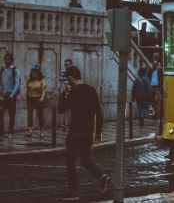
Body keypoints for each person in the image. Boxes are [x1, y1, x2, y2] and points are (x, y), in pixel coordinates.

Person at [58, 66, 111, 200]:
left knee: (71, 162)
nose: (66, 81)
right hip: (88, 132)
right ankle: (102, 177)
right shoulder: (91, 90)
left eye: (67, 78)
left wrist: (64, 94)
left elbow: (61, 109)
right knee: (86, 160)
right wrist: (98, 133)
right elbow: (99, 113)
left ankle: (74, 192)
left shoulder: (72, 92)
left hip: (75, 132)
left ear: (71, 77)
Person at [0, 52, 23, 135]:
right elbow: (1, 83)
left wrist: (12, 95)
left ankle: (11, 131)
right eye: (6, 59)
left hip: (11, 95)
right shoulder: (2, 70)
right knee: (1, 112)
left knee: (11, 114)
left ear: (11, 60)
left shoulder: (15, 70)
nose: (7, 61)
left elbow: (17, 83)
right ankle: (1, 131)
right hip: (3, 95)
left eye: (9, 59)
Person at [26, 65, 47, 138]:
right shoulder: (29, 80)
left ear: (38, 72)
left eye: (35, 71)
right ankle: (30, 131)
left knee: (40, 115)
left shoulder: (42, 80)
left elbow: (44, 90)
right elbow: (27, 89)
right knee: (30, 115)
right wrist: (27, 97)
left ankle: (41, 131)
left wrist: (42, 98)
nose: (34, 73)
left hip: (39, 98)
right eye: (33, 71)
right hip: (30, 99)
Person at [148, 55, 163, 119]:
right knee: (153, 101)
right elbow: (148, 75)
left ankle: (156, 115)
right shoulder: (152, 67)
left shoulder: (159, 68)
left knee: (156, 102)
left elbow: (161, 77)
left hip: (156, 86)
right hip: (152, 86)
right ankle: (154, 114)